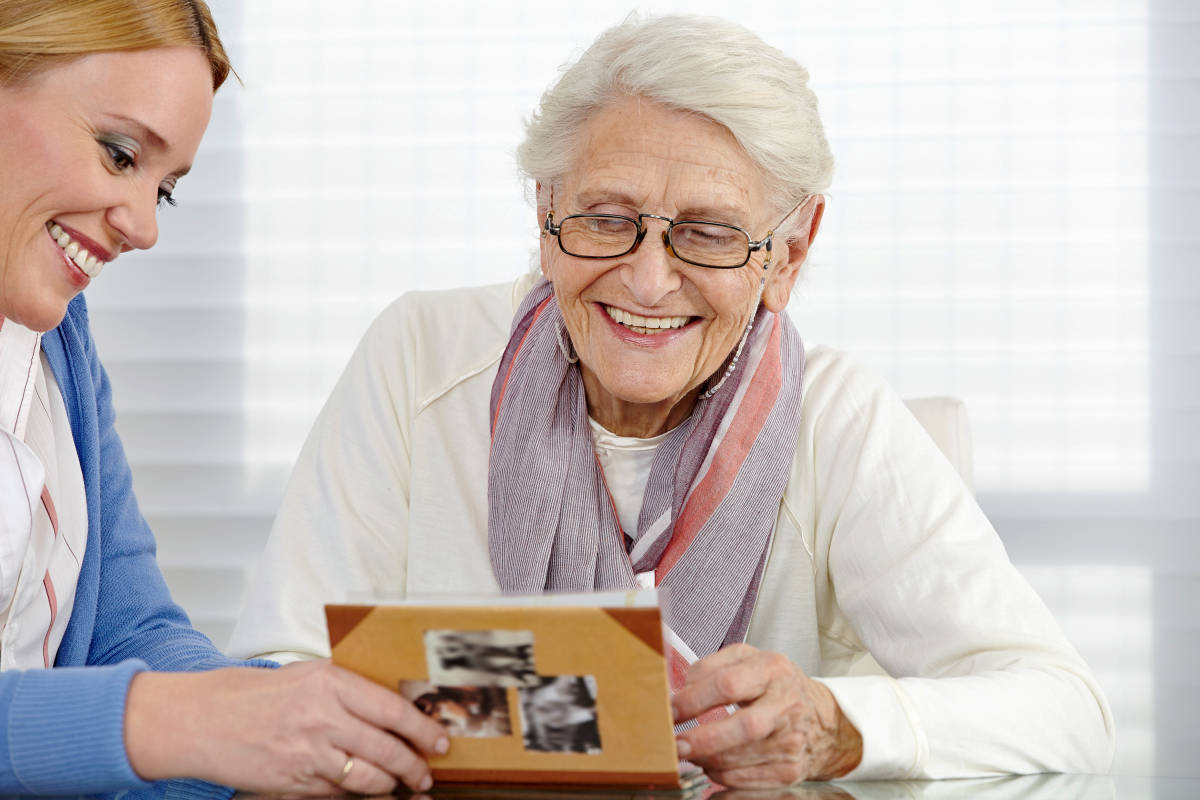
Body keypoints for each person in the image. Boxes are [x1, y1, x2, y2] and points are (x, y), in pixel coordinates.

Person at [228, 13, 1115, 786]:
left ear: (790, 253)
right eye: (607, 217)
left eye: (710, 234)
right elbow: (282, 666)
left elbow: (1065, 709)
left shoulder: (841, 421)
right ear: (545, 210)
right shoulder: (419, 357)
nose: (649, 283)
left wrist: (836, 727)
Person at [0, 2, 446, 796]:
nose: (142, 225)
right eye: (119, 152)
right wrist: (184, 724)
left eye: (164, 188)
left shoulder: (58, 345)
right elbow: (155, 709)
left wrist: (282, 715)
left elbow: (129, 630)